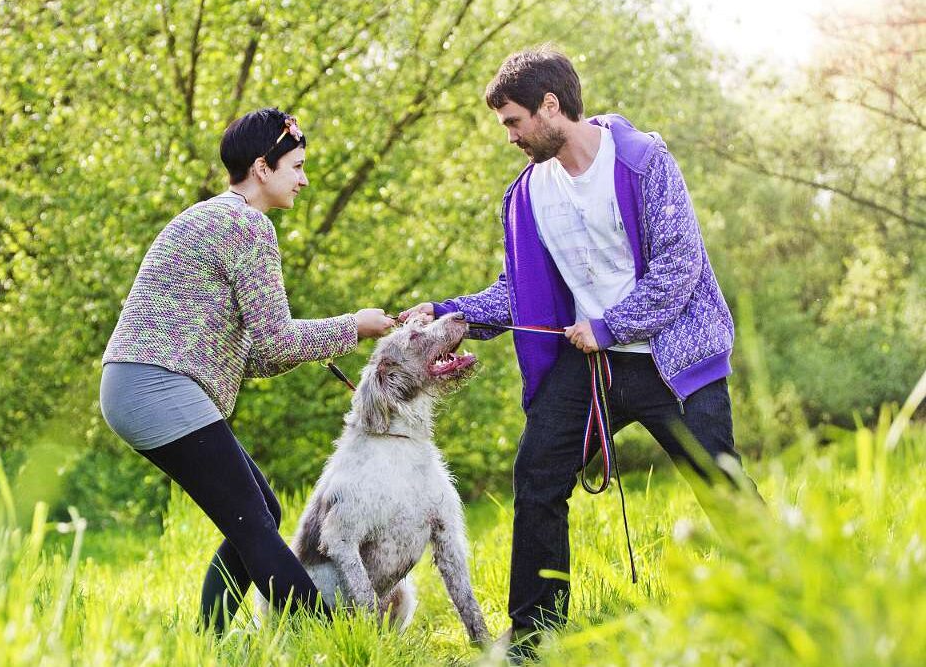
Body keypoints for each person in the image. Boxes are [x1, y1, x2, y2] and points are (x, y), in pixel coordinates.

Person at [400, 48, 757, 655]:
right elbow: (520, 291)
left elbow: (679, 269)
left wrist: (612, 325)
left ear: (550, 105)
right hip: (589, 366)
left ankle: (783, 592)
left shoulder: (643, 162)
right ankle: (533, 637)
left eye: (514, 122)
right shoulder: (527, 195)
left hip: (672, 358)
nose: (510, 136)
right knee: (537, 475)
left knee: (718, 481)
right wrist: (448, 314)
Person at [100, 108, 394, 633]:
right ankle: (334, 639)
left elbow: (258, 355)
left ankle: (209, 642)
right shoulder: (246, 224)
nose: (304, 180)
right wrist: (355, 326)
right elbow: (278, 341)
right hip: (156, 385)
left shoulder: (212, 216)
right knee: (255, 526)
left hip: (141, 384)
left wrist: (332, 339)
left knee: (260, 513)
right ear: (262, 167)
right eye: (296, 167)